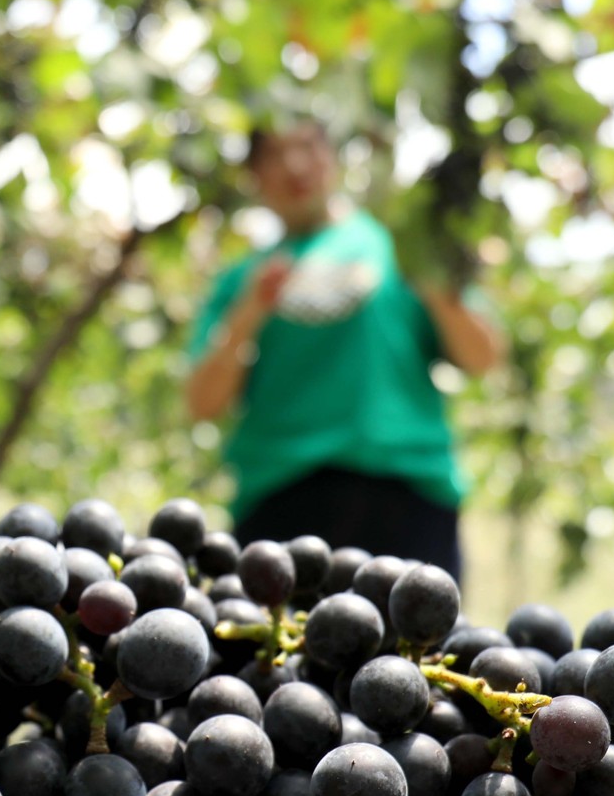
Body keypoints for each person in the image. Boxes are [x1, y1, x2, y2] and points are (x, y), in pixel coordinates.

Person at [185, 123, 504, 581]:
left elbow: (483, 358)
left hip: (408, 497)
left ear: (332, 158)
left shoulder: (398, 251)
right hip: (282, 503)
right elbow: (201, 403)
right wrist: (248, 313)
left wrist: (433, 281)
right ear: (254, 177)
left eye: (307, 147)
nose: (294, 166)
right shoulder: (242, 281)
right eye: (274, 155)